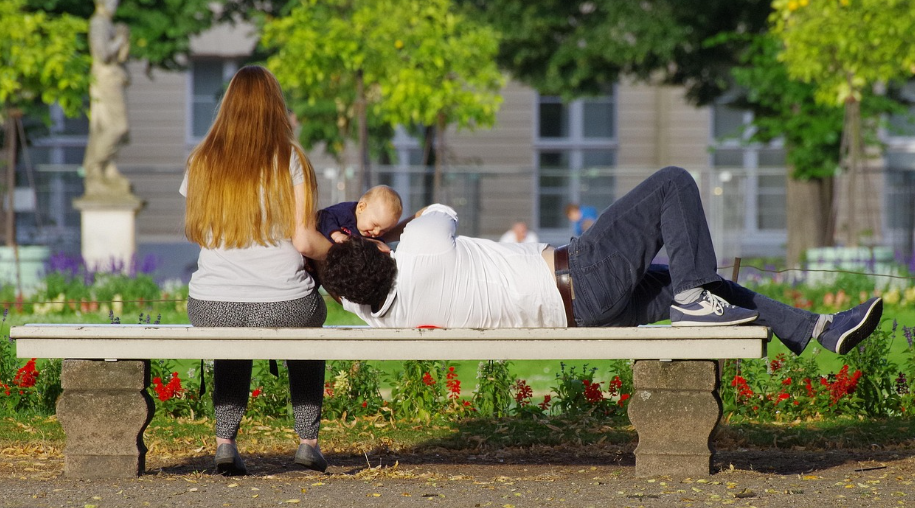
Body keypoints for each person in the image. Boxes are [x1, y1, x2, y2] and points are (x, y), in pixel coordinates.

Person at [321, 166, 883, 358]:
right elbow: (440, 209)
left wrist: (354, 254)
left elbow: (343, 284)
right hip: (581, 273)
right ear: (378, 248)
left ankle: (820, 330)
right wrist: (387, 225)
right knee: (672, 185)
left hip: (586, 315)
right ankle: (692, 301)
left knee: (706, 282)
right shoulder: (423, 242)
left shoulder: (378, 313)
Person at [181, 65, 332, 476]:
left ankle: (225, 443)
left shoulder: (202, 160)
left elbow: (199, 233)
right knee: (308, 327)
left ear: (227, 105)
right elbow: (305, 241)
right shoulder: (291, 159)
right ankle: (307, 443)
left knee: (233, 329)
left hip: (211, 305)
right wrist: (336, 247)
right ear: (275, 107)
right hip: (285, 304)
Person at [82, 0, 132, 197]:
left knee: (111, 128)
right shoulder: (99, 23)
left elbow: (120, 57)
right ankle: (94, 167)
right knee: (117, 127)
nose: (116, 3)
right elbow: (102, 53)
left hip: (112, 79)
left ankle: (107, 169)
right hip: (106, 80)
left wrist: (122, 40)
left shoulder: (106, 24)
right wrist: (120, 39)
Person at [317, 185, 403, 243]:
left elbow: (379, 244)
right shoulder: (345, 212)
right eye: (375, 224)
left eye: (383, 231)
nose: (376, 232)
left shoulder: (372, 236)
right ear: (361, 207)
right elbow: (324, 216)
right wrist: (336, 235)